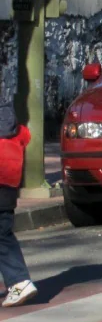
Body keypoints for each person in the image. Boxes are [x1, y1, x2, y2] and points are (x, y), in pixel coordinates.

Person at [0, 104, 36, 307]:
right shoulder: (13, 124)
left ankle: (19, 281)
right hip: (8, 187)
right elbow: (26, 136)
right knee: (3, 232)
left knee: (2, 238)